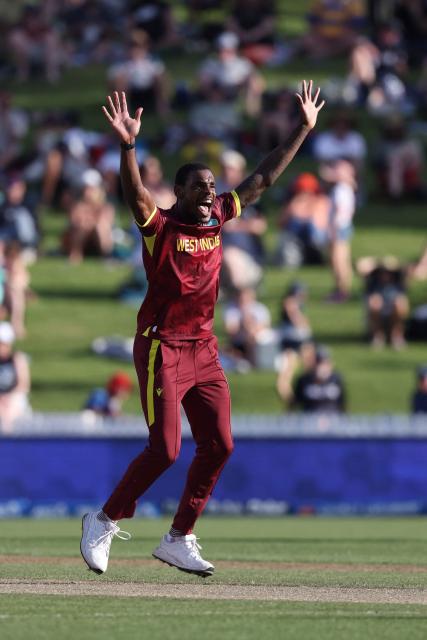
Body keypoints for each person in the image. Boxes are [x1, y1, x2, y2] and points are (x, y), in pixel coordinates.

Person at [79, 81, 325, 577]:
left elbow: (262, 179)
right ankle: (103, 520)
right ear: (180, 193)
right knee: (166, 449)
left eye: (213, 186)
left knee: (221, 445)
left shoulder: (217, 220)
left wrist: (302, 128)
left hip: (204, 349)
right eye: (201, 187)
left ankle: (179, 536)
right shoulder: (161, 227)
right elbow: (134, 194)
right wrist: (128, 146)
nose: (212, 193)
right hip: (161, 348)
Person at [291, 345, 346, 413]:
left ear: (330, 364)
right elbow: (295, 403)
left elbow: (342, 404)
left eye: (325, 363)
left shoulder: (336, 379)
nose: (321, 367)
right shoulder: (304, 380)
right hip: (310, 419)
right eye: (319, 363)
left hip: (333, 418)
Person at [0, 321, 31, 433]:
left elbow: (23, 385)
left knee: (10, 408)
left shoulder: (17, 359)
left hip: (14, 397)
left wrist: (7, 396)